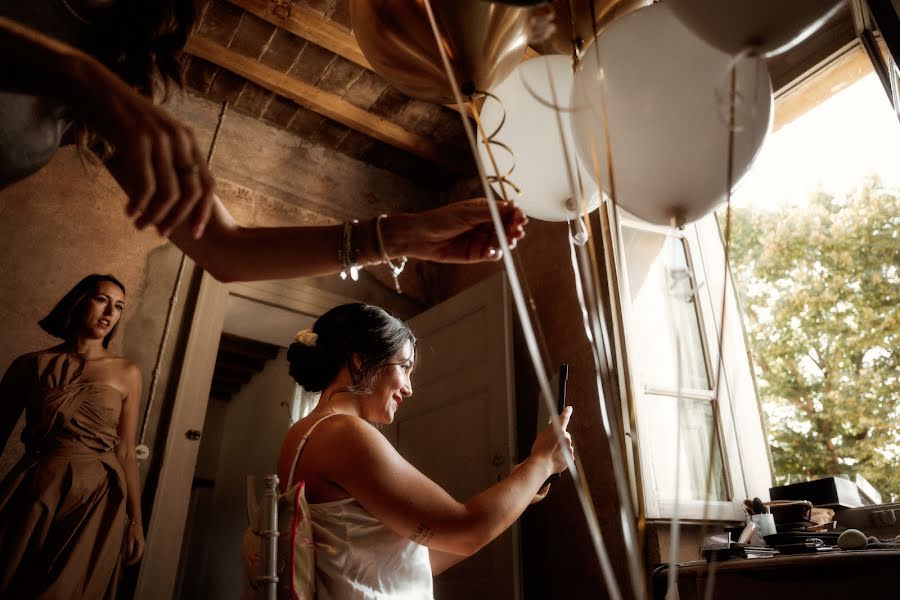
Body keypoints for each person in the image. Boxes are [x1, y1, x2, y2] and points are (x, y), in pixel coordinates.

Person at [0, 3, 527, 283]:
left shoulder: (115, 62)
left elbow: (226, 250)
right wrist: (75, 76)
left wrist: (401, 237)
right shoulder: (93, 81)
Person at [278, 303, 574, 599]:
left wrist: (518, 494)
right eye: (404, 367)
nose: (409, 388)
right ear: (361, 361)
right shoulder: (343, 433)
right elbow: (466, 530)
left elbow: (421, 558)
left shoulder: (303, 433)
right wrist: (543, 461)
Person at [0, 274, 145, 599]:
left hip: (97, 495)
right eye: (102, 300)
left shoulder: (127, 372)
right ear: (79, 302)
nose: (110, 312)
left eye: (119, 306)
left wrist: (135, 520)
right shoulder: (30, 365)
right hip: (37, 488)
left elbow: (125, 451)